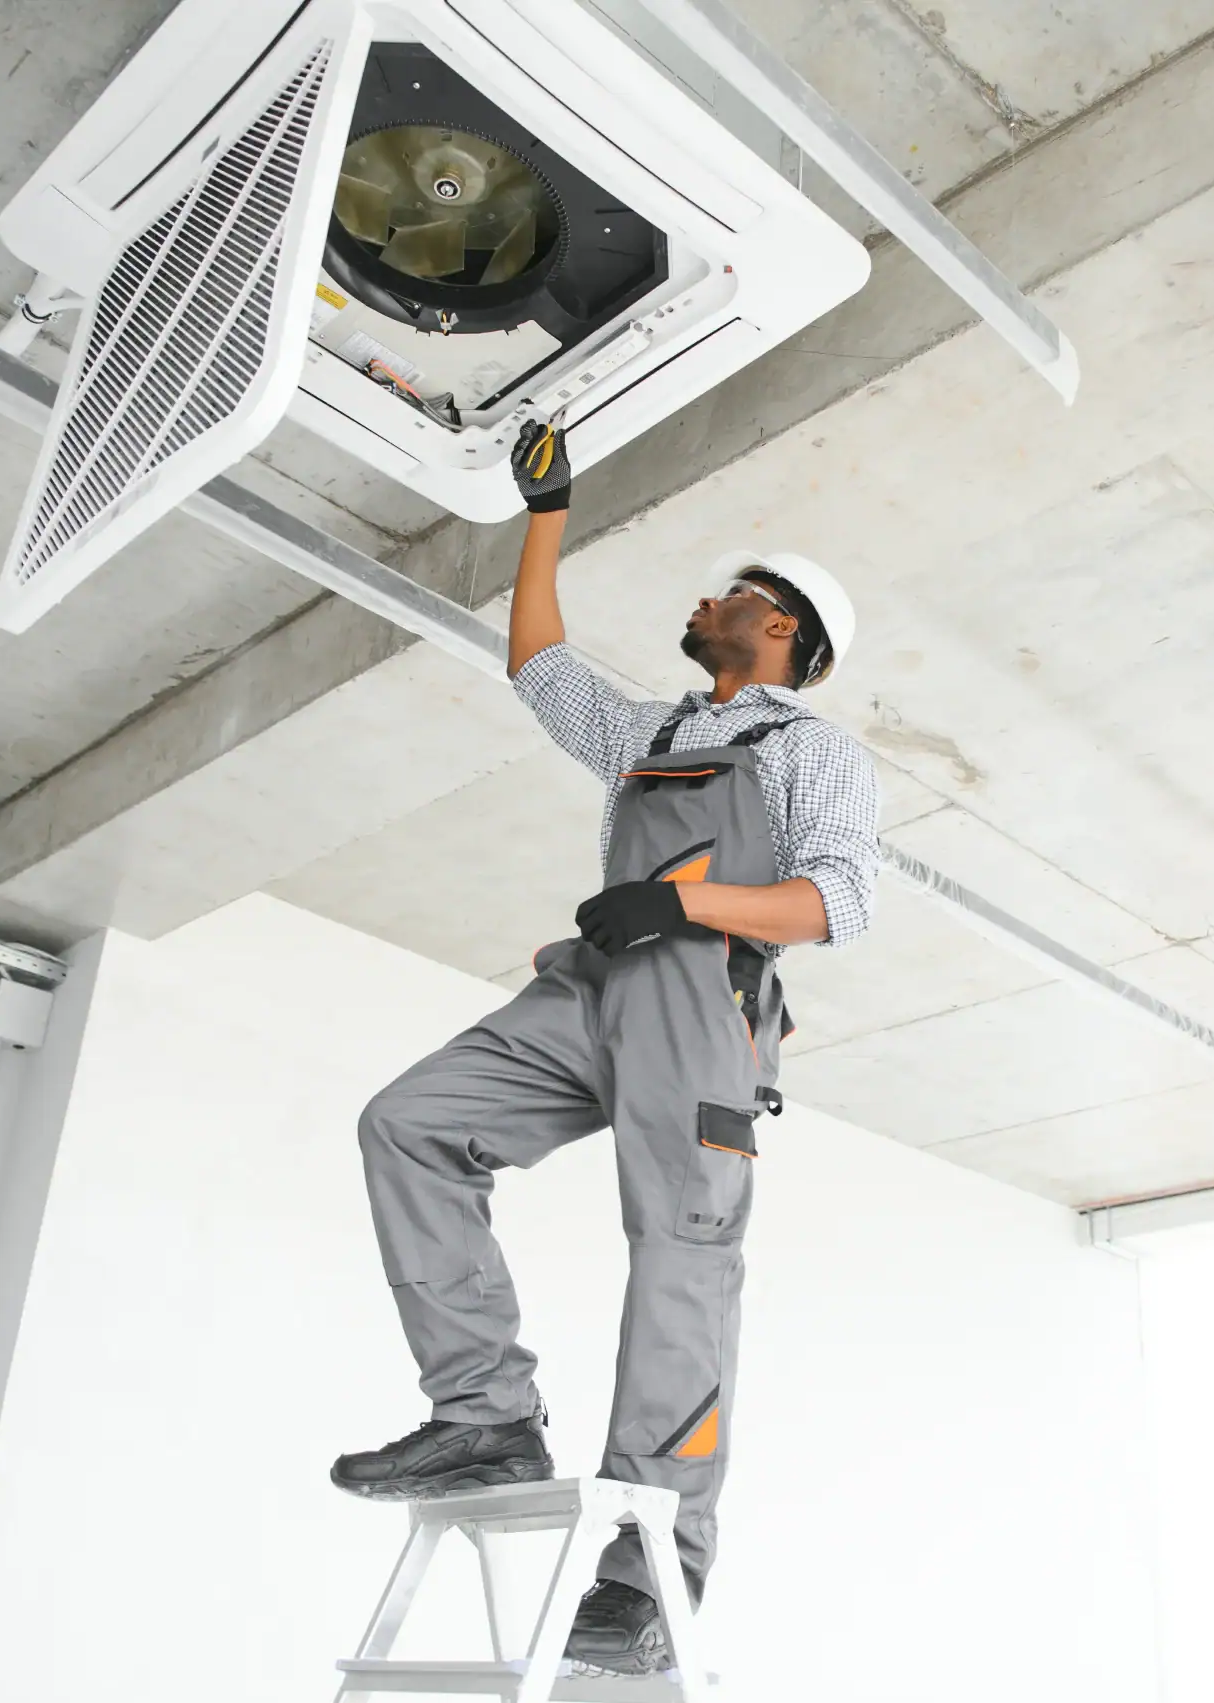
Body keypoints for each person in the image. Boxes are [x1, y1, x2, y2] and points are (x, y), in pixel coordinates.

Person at [333, 419, 881, 1675]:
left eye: (729, 590)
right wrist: (546, 516)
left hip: (700, 1000)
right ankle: (482, 1414)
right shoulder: (651, 731)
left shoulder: (814, 751)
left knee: (681, 1255)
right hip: (595, 987)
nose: (704, 596)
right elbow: (538, 666)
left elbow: (838, 901)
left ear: (781, 627)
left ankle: (651, 1565)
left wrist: (679, 905)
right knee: (409, 1123)